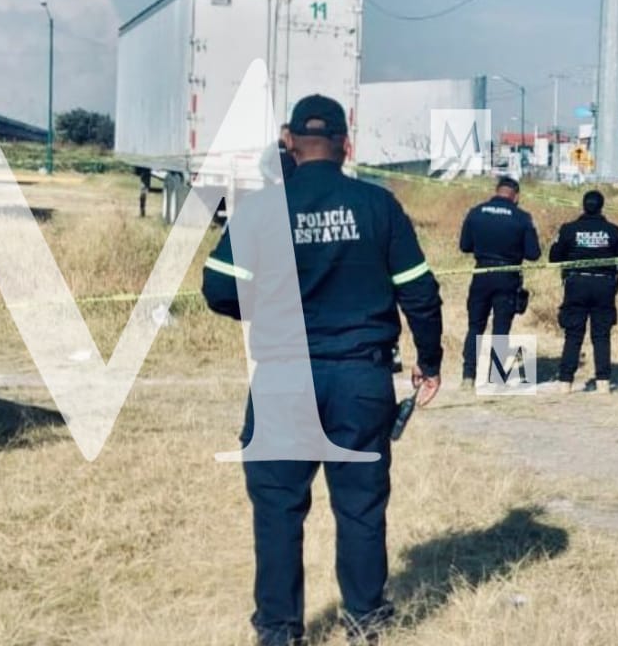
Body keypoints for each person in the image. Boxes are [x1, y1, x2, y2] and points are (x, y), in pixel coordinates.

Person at [202, 94, 443, 645]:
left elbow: (217, 288)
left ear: (289, 142)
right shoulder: (377, 205)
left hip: (283, 378)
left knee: (278, 512)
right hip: (360, 379)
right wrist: (429, 361)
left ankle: (280, 631)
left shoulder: (262, 208)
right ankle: (364, 623)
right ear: (345, 143)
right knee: (360, 508)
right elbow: (419, 291)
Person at [459, 176, 541, 387]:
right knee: (501, 327)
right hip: (508, 275)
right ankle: (496, 378)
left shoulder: (476, 212)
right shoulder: (522, 217)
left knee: (475, 326)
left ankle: (468, 376)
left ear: (497, 191)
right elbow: (533, 254)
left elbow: (465, 246)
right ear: (516, 196)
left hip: (482, 273)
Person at [548, 190, 618, 393]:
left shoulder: (569, 229)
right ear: (602, 206)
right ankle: (603, 382)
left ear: (583, 206)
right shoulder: (613, 230)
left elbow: (554, 257)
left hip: (576, 284)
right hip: (604, 286)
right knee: (601, 335)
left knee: (573, 334)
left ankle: (565, 382)